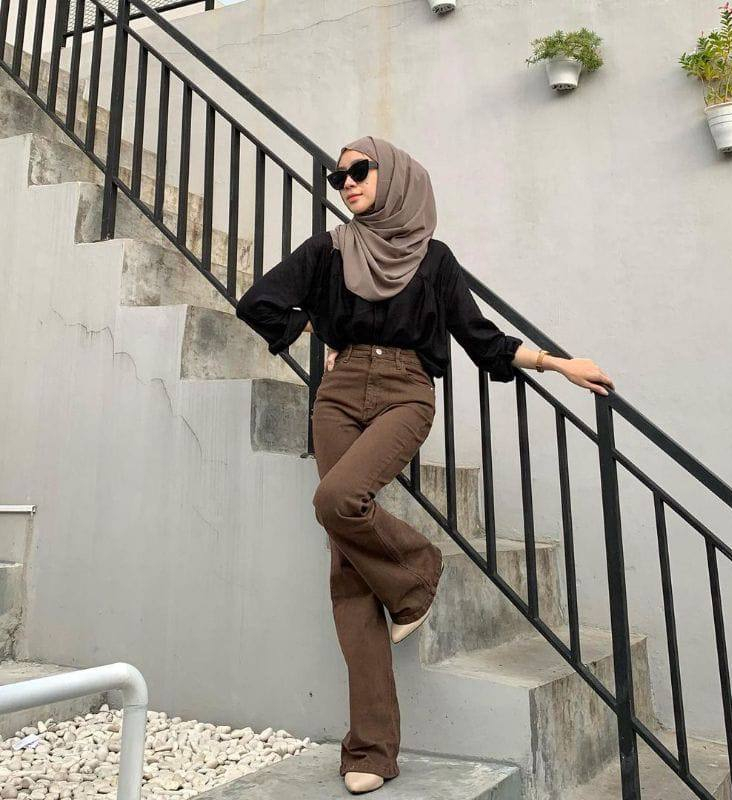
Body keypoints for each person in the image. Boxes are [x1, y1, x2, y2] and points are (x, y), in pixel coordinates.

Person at [234, 135, 615, 795]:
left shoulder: (434, 260)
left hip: (406, 392)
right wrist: (317, 332)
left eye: (359, 171)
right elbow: (258, 302)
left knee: (336, 501)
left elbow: (480, 338)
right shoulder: (330, 249)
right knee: (347, 569)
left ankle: (418, 570)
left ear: (396, 177)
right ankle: (372, 749)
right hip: (337, 395)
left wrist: (556, 363)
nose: (346, 183)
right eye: (337, 176)